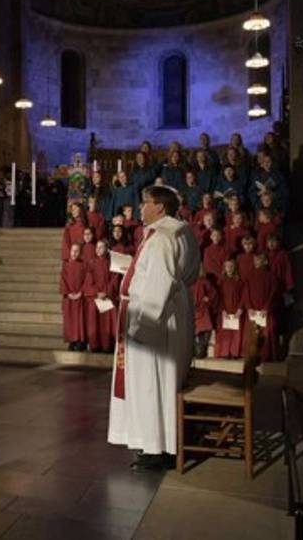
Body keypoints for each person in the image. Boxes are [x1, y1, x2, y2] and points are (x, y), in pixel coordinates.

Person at [107, 185, 199, 471]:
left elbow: (158, 285)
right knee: (161, 383)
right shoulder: (182, 231)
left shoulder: (161, 239)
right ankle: (162, 444)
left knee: (150, 385)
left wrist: (141, 328)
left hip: (155, 321)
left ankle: (155, 449)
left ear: (160, 207)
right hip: (173, 312)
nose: (140, 208)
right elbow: (191, 271)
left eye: (145, 203)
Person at [83, 240, 117, 353]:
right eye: (97, 247)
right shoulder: (91, 263)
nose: (98, 249)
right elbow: (88, 281)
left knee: (108, 322)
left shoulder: (111, 263)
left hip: (108, 297)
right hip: (95, 297)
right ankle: (95, 345)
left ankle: (108, 346)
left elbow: (114, 280)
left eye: (101, 247)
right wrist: (97, 293)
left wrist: (106, 292)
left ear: (107, 249)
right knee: (94, 319)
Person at [215, 259, 246, 358]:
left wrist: (240, 309)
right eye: (227, 266)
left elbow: (243, 296)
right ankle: (225, 352)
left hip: (236, 309)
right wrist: (223, 310)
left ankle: (234, 352)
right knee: (225, 332)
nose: (229, 268)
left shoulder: (239, 281)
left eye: (231, 266)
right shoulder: (221, 281)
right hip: (225, 310)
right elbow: (218, 297)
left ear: (235, 267)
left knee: (236, 332)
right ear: (224, 268)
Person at [60, 243, 87, 352]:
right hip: (69, 297)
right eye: (73, 251)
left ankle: (80, 341)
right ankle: (72, 341)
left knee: (79, 320)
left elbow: (87, 279)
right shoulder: (66, 265)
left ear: (80, 253)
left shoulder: (84, 265)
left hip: (80, 297)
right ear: (70, 252)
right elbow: (63, 280)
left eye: (77, 251)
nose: (74, 253)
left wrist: (81, 292)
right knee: (70, 320)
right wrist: (68, 293)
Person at [192, 265, 218, 359]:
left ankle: (202, 351)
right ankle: (196, 351)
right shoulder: (190, 282)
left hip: (203, 309)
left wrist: (208, 299)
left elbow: (213, 294)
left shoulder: (205, 282)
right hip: (193, 310)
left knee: (205, 330)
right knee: (195, 332)